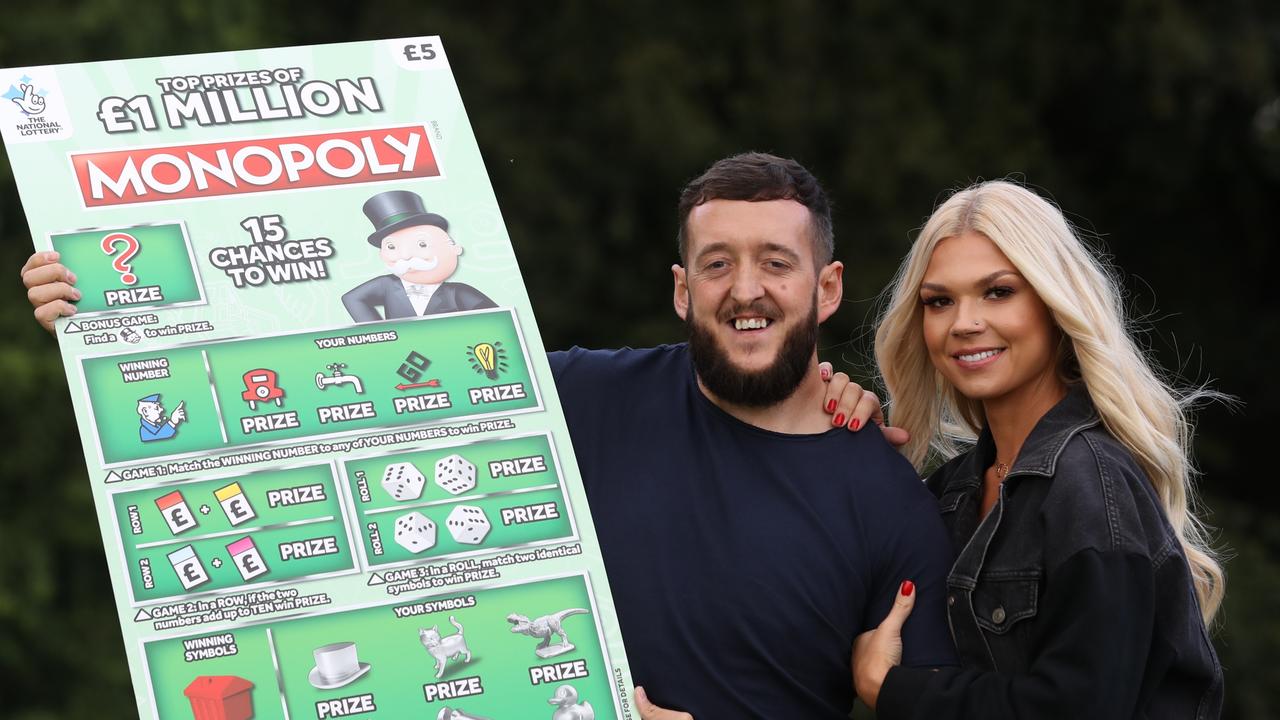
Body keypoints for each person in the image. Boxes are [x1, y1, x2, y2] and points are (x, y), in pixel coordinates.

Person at [21, 153, 953, 719]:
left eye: (775, 264)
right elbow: (344, 381)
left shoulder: (886, 496)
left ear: (825, 290)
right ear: (682, 288)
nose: (746, 289)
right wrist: (114, 319)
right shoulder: (576, 397)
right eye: (719, 264)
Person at [848, 180, 1223, 719]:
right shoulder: (952, 491)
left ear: (1053, 304)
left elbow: (1079, 708)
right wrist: (834, 444)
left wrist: (893, 690)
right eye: (939, 301)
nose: (964, 323)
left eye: (998, 291)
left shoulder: (1090, 483)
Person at [341, 189, 496, 322]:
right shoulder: (386, 285)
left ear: (455, 249)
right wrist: (381, 334)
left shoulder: (457, 292)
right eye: (392, 247)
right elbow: (352, 298)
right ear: (382, 255)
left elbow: (496, 318)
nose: (406, 255)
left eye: (422, 244)